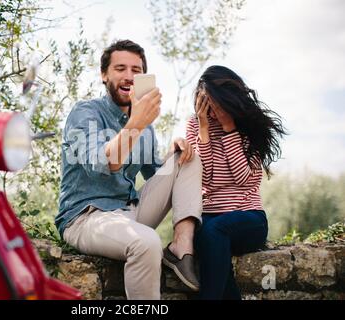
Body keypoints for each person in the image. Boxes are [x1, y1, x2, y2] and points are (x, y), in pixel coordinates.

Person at [55, 40, 203, 299]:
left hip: (130, 213)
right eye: (120, 68)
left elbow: (157, 175)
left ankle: (181, 247)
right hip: (87, 218)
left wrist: (174, 154)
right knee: (146, 242)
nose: (128, 76)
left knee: (187, 157)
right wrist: (137, 122)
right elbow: (104, 163)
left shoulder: (145, 125)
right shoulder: (86, 113)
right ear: (104, 75)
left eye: (136, 70)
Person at [186, 65, 287, 300]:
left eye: (217, 102)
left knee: (213, 231)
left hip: (248, 217)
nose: (213, 109)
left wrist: (230, 129)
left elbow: (244, 178)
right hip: (210, 216)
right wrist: (203, 130)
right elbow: (204, 178)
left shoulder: (248, 128)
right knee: (210, 240)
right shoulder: (194, 125)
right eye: (208, 102)